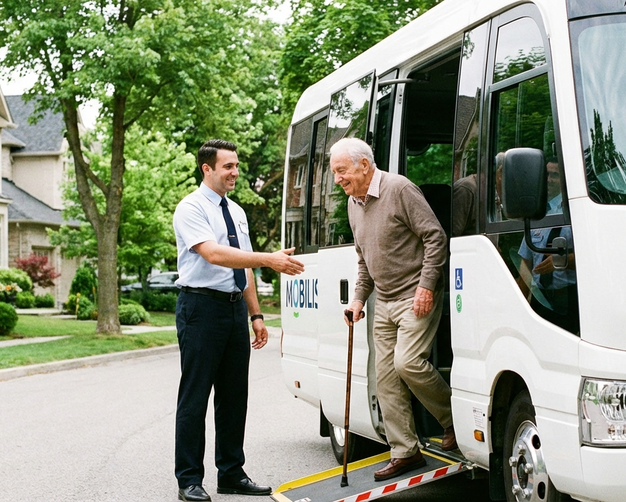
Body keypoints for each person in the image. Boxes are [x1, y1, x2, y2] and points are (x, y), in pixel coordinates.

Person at [172, 139, 305, 502]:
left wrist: (256, 314)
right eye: (228, 166)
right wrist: (269, 259)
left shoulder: (237, 212)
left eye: (236, 165)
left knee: (234, 396)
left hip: (232, 310)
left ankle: (231, 472)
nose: (235, 172)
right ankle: (189, 479)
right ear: (207, 169)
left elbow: (242, 265)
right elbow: (214, 254)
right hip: (200, 308)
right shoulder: (191, 209)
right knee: (195, 396)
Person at [329, 137, 456, 482]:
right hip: (382, 301)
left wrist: (427, 285)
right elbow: (364, 259)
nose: (337, 179)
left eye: (341, 171)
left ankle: (451, 420)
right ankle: (405, 451)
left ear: (364, 166)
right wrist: (358, 298)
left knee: (408, 362)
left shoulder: (399, 189)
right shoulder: (354, 203)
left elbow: (435, 237)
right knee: (385, 378)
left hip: (416, 293)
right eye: (335, 173)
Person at [516, 160, 579, 333]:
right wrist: (519, 306)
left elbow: (595, 256)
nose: (549, 180)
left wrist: (563, 260)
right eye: (546, 175)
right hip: (540, 299)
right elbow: (525, 263)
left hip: (569, 299)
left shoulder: (576, 210)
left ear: (564, 180)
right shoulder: (537, 212)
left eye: (555, 175)